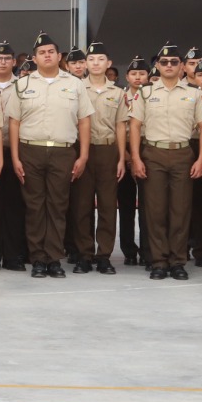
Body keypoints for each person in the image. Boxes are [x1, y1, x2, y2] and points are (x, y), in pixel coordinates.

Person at [6, 33, 93, 278]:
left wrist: (83, 156)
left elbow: (84, 121)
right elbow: (14, 122)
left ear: (59, 56)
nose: (47, 56)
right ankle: (37, 258)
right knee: (34, 207)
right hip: (30, 150)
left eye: (51, 52)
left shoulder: (75, 84)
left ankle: (53, 258)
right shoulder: (22, 84)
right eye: (42, 53)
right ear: (34, 58)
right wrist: (15, 157)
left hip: (62, 151)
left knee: (58, 205)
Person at [128, 42, 202, 280]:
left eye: (174, 62)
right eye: (164, 62)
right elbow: (135, 126)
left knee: (180, 211)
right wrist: (136, 158)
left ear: (182, 66)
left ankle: (177, 261)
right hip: (154, 153)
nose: (169, 65)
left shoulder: (194, 93)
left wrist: (201, 159)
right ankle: (159, 261)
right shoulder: (145, 92)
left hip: (183, 154)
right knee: (155, 211)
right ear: (158, 66)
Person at [70, 41, 127, 275]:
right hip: (82, 150)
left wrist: (121, 158)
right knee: (82, 205)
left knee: (107, 205)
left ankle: (104, 255)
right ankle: (84, 254)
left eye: (100, 59)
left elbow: (121, 126)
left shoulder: (118, 92)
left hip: (107, 150)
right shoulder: (76, 88)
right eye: (91, 59)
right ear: (85, 63)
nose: (95, 63)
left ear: (109, 63)